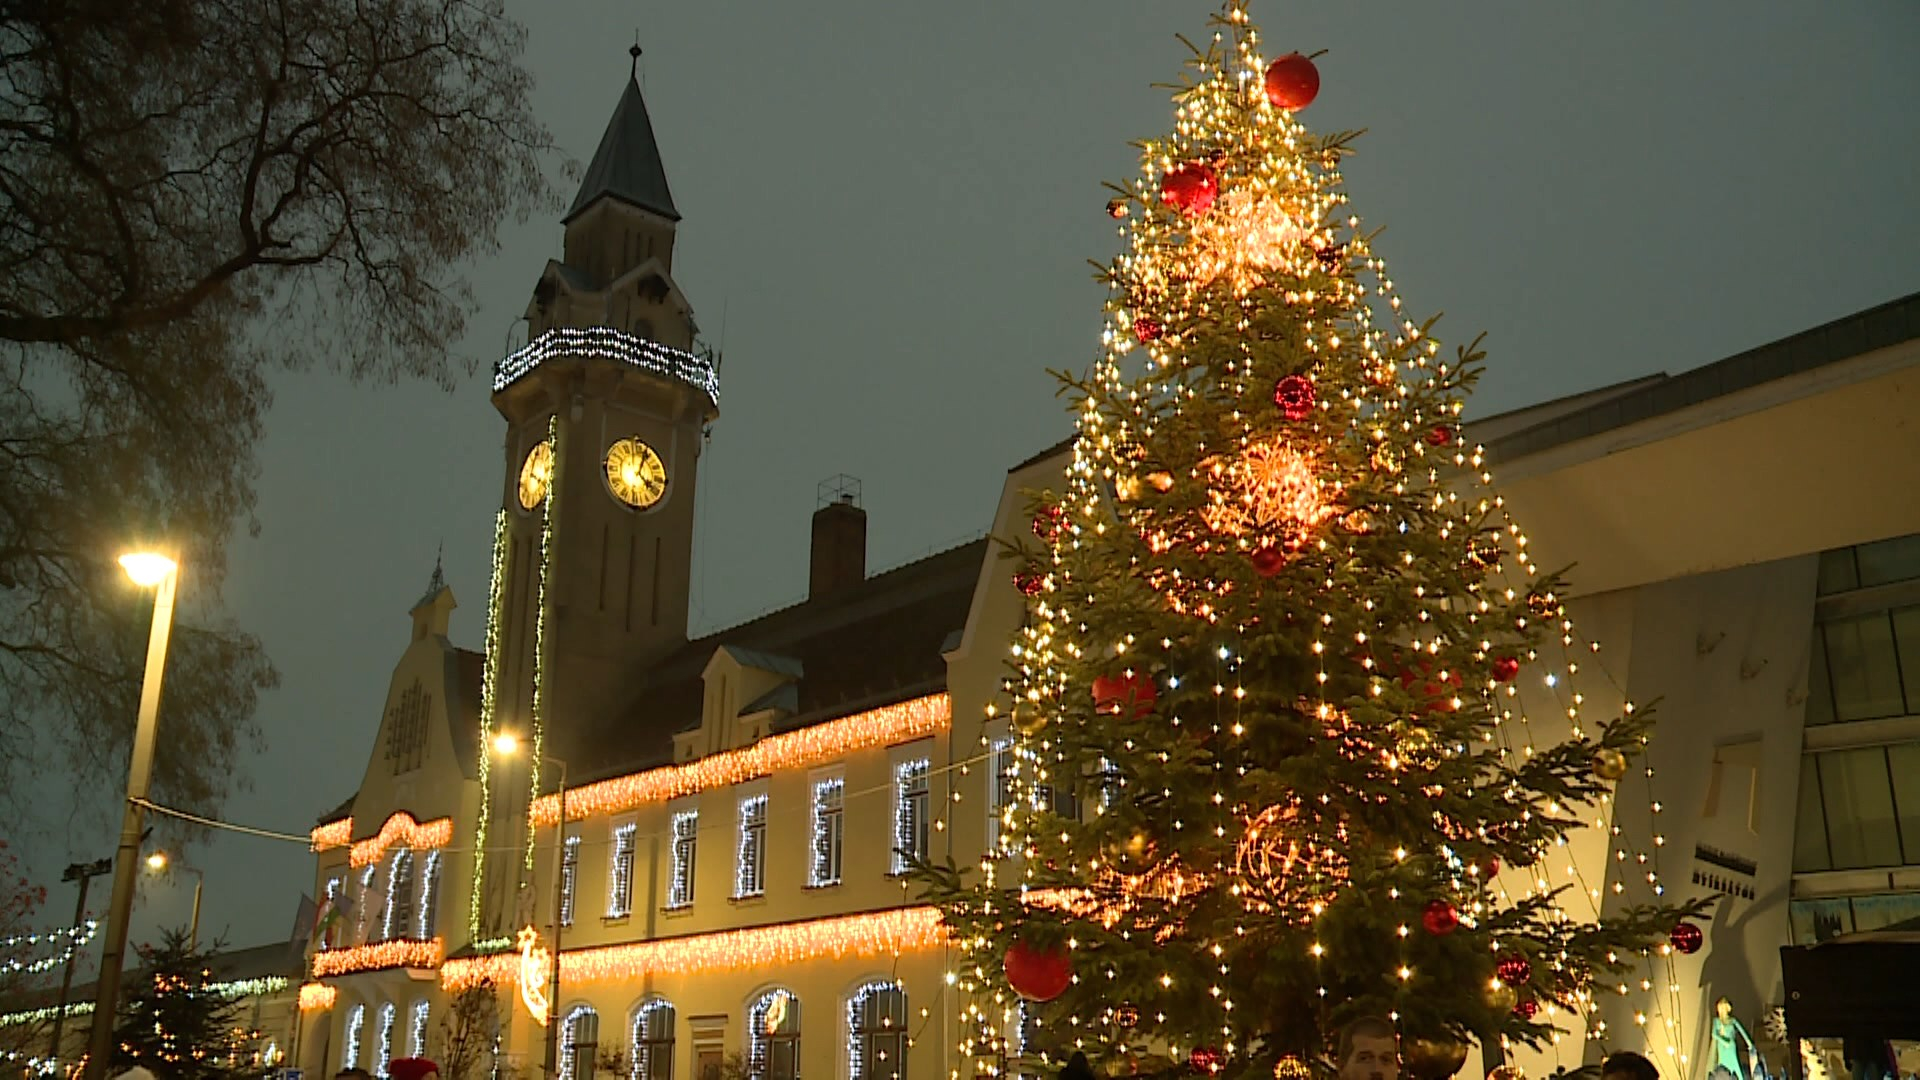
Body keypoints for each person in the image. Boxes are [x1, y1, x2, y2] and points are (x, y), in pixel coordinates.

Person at [1711, 997, 1758, 1080]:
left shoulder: (1732, 1021)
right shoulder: (1717, 1021)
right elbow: (1714, 1034)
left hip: (1731, 1047)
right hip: (1722, 1047)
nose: (1722, 1011)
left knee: (1735, 1066)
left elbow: (1742, 1031)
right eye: (1720, 1008)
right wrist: (1724, 1041)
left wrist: (1749, 1044)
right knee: (1722, 1066)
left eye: (1723, 1008)